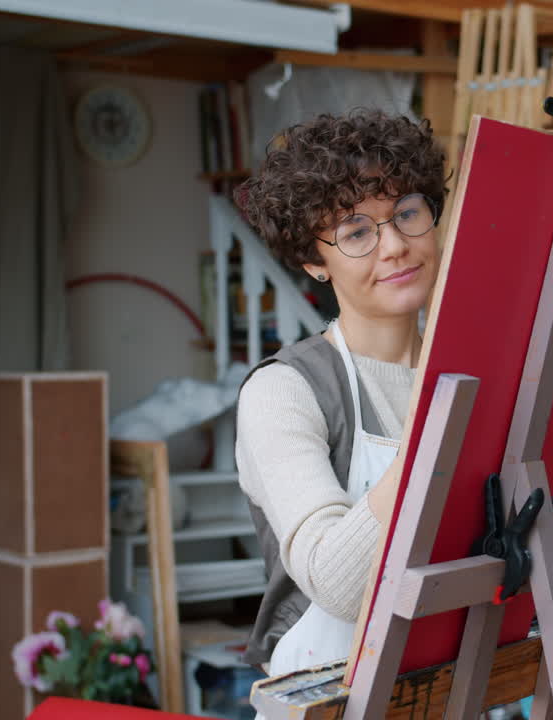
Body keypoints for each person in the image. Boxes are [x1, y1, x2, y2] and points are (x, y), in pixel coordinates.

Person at [233, 109, 444, 676]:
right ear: (314, 262)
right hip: (328, 694)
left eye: (407, 213)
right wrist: (441, 443)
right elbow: (338, 584)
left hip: (449, 689)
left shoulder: (465, 370)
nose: (395, 245)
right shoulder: (283, 391)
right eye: (356, 232)